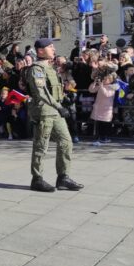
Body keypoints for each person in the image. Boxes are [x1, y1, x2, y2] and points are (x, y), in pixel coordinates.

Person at [26, 38, 83, 192]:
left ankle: (63, 177)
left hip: (55, 111)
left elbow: (55, 89)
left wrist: (64, 99)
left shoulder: (51, 68)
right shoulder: (36, 69)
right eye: (50, 47)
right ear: (40, 51)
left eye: (53, 46)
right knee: (41, 146)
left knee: (66, 142)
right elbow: (41, 92)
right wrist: (59, 106)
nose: (53, 49)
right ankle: (37, 179)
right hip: (44, 111)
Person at [89, 72, 118, 146]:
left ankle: (105, 137)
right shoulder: (101, 86)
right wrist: (94, 82)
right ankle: (99, 137)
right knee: (99, 123)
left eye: (107, 79)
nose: (104, 80)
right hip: (99, 107)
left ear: (111, 80)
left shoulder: (112, 87)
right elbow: (91, 90)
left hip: (106, 108)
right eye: (104, 79)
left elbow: (107, 94)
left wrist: (101, 86)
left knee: (105, 124)